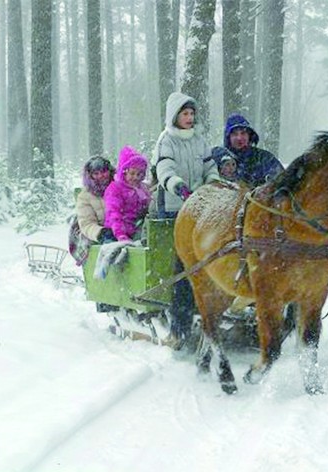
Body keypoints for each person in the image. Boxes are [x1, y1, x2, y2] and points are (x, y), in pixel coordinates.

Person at [153, 91, 220, 349]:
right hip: (174, 207)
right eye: (185, 114)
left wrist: (213, 185)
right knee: (184, 266)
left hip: (200, 207)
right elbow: (164, 170)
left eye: (192, 114)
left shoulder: (200, 140)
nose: (189, 118)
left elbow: (209, 168)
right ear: (175, 116)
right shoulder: (166, 141)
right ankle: (179, 323)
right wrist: (180, 188)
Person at [70, 155, 116, 267]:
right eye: (96, 173)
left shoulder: (119, 187)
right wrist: (101, 233)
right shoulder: (85, 196)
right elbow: (86, 224)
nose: (101, 176)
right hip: (101, 234)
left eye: (104, 172)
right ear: (90, 176)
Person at [103, 146, 151, 242]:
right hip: (117, 231)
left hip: (137, 228)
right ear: (124, 172)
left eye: (139, 174)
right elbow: (114, 213)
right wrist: (120, 234)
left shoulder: (142, 189)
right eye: (132, 173)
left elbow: (148, 207)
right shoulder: (115, 189)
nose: (136, 177)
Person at [224, 113, 284, 187]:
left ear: (249, 136)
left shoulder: (264, 158)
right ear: (228, 138)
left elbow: (282, 182)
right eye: (234, 134)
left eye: (243, 133)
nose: (239, 138)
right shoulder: (219, 158)